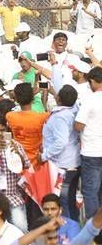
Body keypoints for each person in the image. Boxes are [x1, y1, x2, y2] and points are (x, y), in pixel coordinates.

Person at [42, 85, 81, 220]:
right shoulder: (74, 110)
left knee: (64, 202)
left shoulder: (60, 117)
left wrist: (43, 156)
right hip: (71, 163)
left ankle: (70, 235)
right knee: (69, 201)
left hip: (63, 166)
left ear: (58, 98)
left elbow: (61, 142)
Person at [77, 67, 102, 219]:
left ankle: (93, 230)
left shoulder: (90, 100)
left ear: (92, 81)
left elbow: (79, 125)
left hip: (92, 152)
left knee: (90, 191)